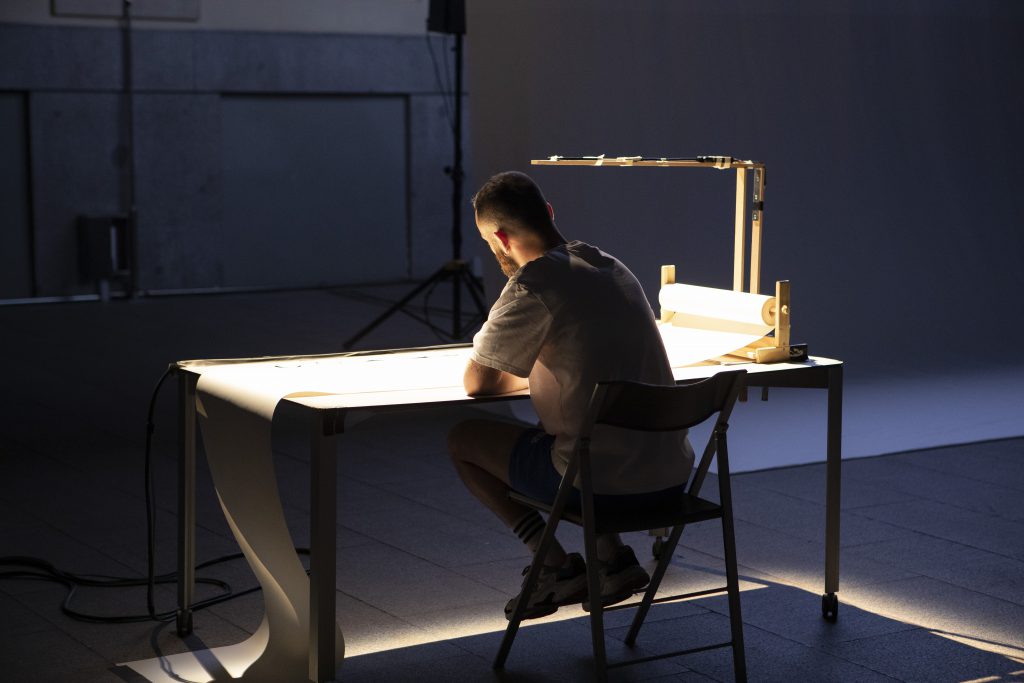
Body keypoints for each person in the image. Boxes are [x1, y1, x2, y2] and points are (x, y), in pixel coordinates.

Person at [448, 171, 694, 620]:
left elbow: (478, 383)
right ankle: (611, 559)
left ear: (499, 237)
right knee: (577, 430)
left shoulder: (533, 284)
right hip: (672, 480)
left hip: (600, 488)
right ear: (549, 213)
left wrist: (519, 374)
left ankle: (556, 566)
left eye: (489, 243)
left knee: (464, 439)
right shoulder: (611, 266)